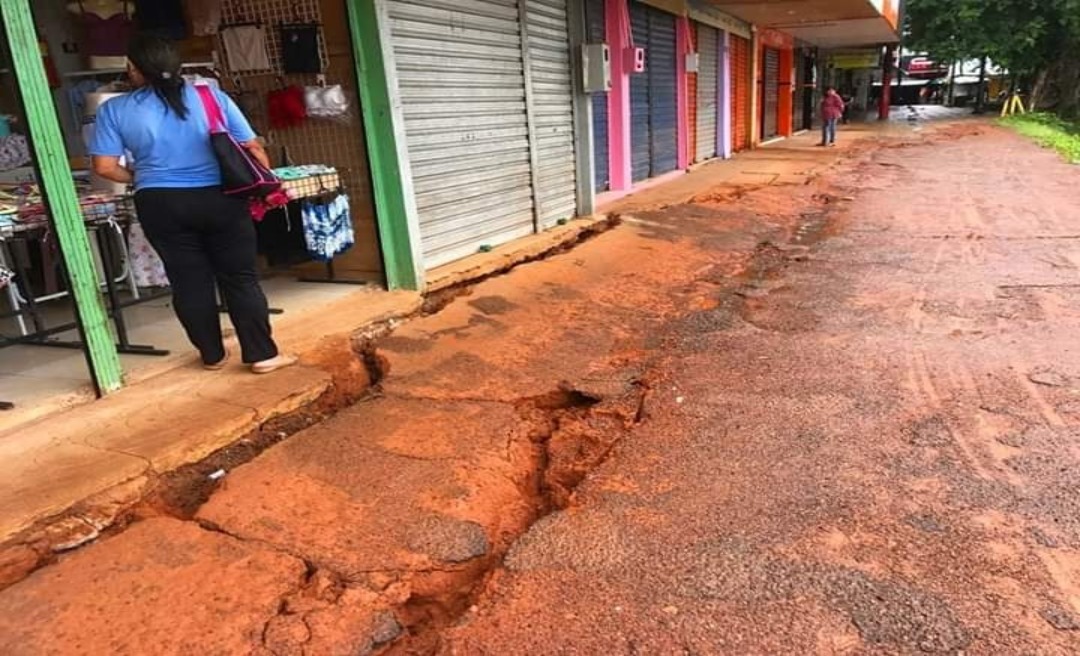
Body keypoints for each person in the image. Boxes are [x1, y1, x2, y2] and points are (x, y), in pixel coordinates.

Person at [91, 34, 296, 374]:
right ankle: (261, 355)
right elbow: (252, 147)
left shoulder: (114, 109)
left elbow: (104, 166)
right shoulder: (211, 97)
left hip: (158, 203)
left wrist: (143, 178)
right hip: (221, 197)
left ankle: (212, 355)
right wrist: (265, 184)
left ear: (134, 70)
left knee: (188, 280)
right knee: (240, 278)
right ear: (177, 66)